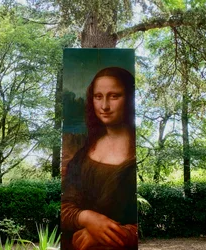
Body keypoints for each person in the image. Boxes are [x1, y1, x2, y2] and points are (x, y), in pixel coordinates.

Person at [61, 67, 138, 250]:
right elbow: (65, 205)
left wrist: (104, 235)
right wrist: (87, 218)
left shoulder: (138, 152)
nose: (104, 106)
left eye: (114, 96)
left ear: (129, 99)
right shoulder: (85, 152)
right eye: (98, 97)